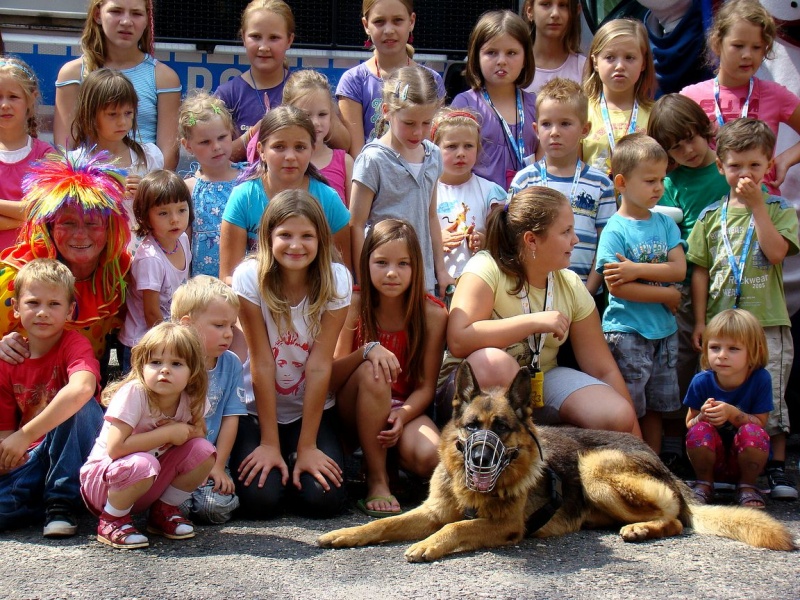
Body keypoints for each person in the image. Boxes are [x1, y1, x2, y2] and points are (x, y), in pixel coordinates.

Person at [444, 186, 639, 435]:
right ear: (531, 240)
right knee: (497, 366)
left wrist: (641, 448)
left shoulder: (569, 283)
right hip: (475, 389)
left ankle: (545, 452)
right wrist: (534, 322)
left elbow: (603, 369)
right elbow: (459, 340)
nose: (575, 239)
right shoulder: (486, 267)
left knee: (616, 414)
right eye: (566, 231)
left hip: (540, 382)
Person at [687, 118, 800, 500]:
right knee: (716, 390)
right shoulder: (709, 216)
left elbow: (777, 252)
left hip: (766, 322)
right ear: (720, 167)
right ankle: (715, 464)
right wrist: (701, 320)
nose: (745, 173)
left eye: (754, 165)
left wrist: (757, 208)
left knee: (772, 394)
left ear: (768, 165)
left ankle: (776, 468)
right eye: (735, 165)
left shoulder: (779, 209)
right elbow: (699, 270)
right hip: (722, 328)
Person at [230, 189, 351, 519]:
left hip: (308, 409)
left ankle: (299, 457)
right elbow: (262, 360)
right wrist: (269, 442)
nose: (296, 245)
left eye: (307, 236)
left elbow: (318, 365)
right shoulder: (249, 277)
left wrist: (308, 446)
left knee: (323, 501)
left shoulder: (337, 280)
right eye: (285, 235)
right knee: (260, 501)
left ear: (321, 239)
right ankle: (277, 455)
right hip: (257, 409)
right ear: (268, 237)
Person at [331, 219, 446, 517]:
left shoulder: (432, 313)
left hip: (402, 407)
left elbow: (425, 387)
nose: (392, 272)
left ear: (416, 267)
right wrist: (367, 351)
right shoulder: (354, 302)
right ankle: (378, 480)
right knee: (374, 370)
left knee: (430, 457)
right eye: (381, 262)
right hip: (352, 405)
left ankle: (388, 460)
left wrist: (403, 414)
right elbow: (333, 375)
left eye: (403, 264)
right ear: (366, 262)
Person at [647, 93, 730, 469]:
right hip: (684, 281)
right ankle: (679, 436)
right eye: (676, 148)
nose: (688, 151)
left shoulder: (727, 170)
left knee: (724, 354)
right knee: (681, 357)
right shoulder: (671, 182)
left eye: (691, 139)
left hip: (728, 277)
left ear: (706, 129)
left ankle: (730, 437)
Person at [80, 322, 215, 549]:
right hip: (103, 485)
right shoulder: (134, 393)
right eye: (155, 362)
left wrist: (185, 432)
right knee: (145, 462)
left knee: (204, 451)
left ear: (192, 373)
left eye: (176, 363)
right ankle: (111, 520)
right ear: (141, 365)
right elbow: (116, 448)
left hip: (146, 480)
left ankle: (163, 511)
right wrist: (168, 433)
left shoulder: (190, 398)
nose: (164, 370)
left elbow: (199, 432)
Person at [595, 133, 686, 453]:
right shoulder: (614, 230)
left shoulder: (664, 223)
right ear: (621, 182)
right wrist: (667, 295)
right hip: (628, 332)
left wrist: (636, 269)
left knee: (657, 407)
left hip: (664, 333)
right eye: (649, 180)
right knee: (630, 405)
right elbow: (618, 286)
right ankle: (631, 462)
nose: (659, 187)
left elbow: (679, 270)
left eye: (661, 179)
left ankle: (655, 466)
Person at [0, 259, 102, 538]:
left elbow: (81, 389)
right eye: (33, 303)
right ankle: (34, 500)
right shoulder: (8, 360)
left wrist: (24, 434)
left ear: (69, 310)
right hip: (32, 457)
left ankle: (60, 502)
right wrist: (9, 453)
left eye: (54, 305)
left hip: (78, 449)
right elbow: (5, 432)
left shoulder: (74, 344)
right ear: (17, 308)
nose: (43, 312)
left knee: (78, 406)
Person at [0, 150, 131, 363]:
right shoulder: (20, 272)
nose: (80, 235)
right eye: (68, 223)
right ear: (50, 228)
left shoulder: (119, 273)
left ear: (109, 229)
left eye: (92, 223)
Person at [680, 0, 800, 196]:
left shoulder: (775, 94)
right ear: (717, 43)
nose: (747, 55)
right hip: (708, 211)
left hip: (764, 209)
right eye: (738, 46)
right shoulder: (689, 97)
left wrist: (786, 158)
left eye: (757, 47)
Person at [219, 105, 351, 283]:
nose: (290, 156)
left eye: (300, 147)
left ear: (312, 150)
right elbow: (228, 277)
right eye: (279, 147)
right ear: (261, 150)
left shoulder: (328, 200)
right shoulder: (244, 197)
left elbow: (342, 275)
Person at [509, 78, 615, 298]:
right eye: (547, 124)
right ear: (536, 129)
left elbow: (606, 244)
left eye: (565, 124)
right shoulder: (524, 180)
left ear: (584, 129)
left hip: (584, 293)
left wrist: (589, 292)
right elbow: (513, 238)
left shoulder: (601, 183)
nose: (554, 132)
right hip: (533, 291)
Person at [350, 66, 450, 296]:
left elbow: (431, 215)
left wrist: (440, 269)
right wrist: (363, 279)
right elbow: (356, 223)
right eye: (409, 123)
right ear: (387, 111)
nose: (418, 132)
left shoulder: (434, 155)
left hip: (422, 279)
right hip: (383, 281)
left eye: (426, 123)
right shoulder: (372, 159)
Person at [53, 0, 181, 169]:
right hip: (88, 185)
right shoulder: (72, 73)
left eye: (136, 13)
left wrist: (145, 189)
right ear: (98, 15)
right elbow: (65, 149)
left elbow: (168, 155)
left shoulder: (164, 77)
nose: (126, 22)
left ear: (146, 20)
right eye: (116, 11)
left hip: (144, 186)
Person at [171, 276, 247, 525]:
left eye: (231, 327)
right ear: (188, 325)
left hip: (210, 458)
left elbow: (230, 417)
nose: (228, 334)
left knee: (213, 509)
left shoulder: (231, 363)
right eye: (219, 326)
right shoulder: (170, 364)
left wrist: (218, 464)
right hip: (172, 460)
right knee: (176, 507)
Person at [684, 309, 772, 508]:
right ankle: (704, 484)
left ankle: (747, 487)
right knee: (699, 430)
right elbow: (690, 423)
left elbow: (761, 423)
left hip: (745, 460)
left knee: (753, 432)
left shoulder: (760, 379)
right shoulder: (701, 381)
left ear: (754, 351)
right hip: (710, 460)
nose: (722, 355)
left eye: (733, 349)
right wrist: (703, 417)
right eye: (715, 347)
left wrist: (733, 414)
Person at [336, 0, 445, 157]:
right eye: (379, 21)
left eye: (397, 20)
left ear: (411, 21)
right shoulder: (354, 81)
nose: (389, 30)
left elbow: (432, 147)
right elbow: (357, 155)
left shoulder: (431, 80)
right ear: (366, 25)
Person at [69, 68, 164, 245]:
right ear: (90, 114)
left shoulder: (150, 156)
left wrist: (147, 193)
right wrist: (104, 191)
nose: (122, 122)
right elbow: (69, 214)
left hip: (142, 252)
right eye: (112, 114)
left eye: (128, 113)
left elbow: (164, 207)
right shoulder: (75, 162)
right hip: (95, 252)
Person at [451, 10, 539, 188]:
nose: (501, 61)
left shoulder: (536, 106)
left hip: (526, 207)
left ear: (525, 58)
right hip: (479, 208)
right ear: (476, 57)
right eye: (491, 52)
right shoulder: (465, 105)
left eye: (511, 53)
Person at [118, 171, 192, 371]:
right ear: (145, 217)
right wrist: (172, 344)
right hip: (143, 343)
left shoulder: (183, 240)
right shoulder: (150, 259)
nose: (175, 219)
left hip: (168, 337)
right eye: (163, 213)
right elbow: (151, 312)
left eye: (181, 210)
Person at [215, 0, 294, 162]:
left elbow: (342, 141)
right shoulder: (227, 94)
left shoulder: (303, 89)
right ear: (243, 37)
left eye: (274, 38)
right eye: (256, 37)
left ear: (289, 40)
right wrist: (253, 134)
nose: (264, 47)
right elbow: (215, 155)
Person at [432, 108, 506, 280]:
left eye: (468, 146)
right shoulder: (426, 190)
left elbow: (502, 239)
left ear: (478, 148)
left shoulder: (490, 191)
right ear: (435, 148)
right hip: (435, 282)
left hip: (477, 282)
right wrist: (436, 239)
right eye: (451, 146)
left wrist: (483, 239)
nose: (461, 153)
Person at [179, 91, 247, 278]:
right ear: (188, 145)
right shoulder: (188, 189)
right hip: (205, 285)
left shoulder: (249, 179)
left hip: (244, 279)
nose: (216, 146)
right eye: (205, 142)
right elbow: (183, 243)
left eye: (222, 137)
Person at [581, 19, 656, 177]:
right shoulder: (581, 110)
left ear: (643, 63)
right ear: (595, 62)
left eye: (629, 58)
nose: (620, 66)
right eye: (610, 57)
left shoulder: (655, 114)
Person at [0, 57, 53, 251]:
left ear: (31, 99)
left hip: (31, 266)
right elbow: (33, 213)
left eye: (13, 96)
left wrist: (33, 213)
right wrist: (26, 217)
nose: (4, 104)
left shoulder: (45, 155)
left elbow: (45, 211)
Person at [281, 70, 354, 206]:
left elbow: (353, 219)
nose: (315, 122)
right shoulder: (282, 161)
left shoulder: (345, 163)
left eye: (322, 114)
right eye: (306, 115)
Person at [520, 0, 587, 95]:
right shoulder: (516, 64)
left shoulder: (584, 68)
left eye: (563, 5)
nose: (555, 14)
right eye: (545, 4)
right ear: (530, 11)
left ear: (575, 12)